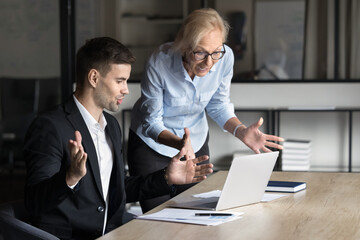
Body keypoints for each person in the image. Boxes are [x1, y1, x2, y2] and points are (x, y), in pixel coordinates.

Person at [23, 37, 213, 240]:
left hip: (114, 232)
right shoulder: (50, 127)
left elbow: (119, 190)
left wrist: (166, 178)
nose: (126, 89)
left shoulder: (111, 126)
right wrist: (70, 177)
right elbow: (35, 202)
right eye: (120, 81)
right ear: (94, 78)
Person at [128, 8, 284, 213]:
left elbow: (218, 105)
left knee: (195, 214)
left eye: (216, 52)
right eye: (200, 52)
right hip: (153, 148)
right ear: (184, 46)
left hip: (196, 142)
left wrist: (241, 131)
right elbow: (152, 122)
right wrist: (180, 144)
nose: (209, 63)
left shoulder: (225, 59)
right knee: (158, 218)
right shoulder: (160, 61)